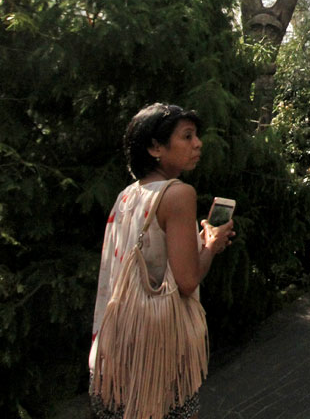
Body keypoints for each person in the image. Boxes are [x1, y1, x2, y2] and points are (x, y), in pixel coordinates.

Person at [89, 103, 236, 419]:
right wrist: (210, 245)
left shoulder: (127, 195)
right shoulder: (179, 194)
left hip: (114, 351)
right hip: (158, 360)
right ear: (155, 147)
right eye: (186, 136)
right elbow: (186, 282)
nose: (197, 143)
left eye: (196, 135)